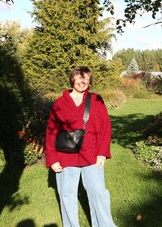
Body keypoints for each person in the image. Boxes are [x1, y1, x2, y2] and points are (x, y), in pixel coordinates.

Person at [44, 66, 116, 226]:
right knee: (67, 195)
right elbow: (51, 132)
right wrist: (52, 158)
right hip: (65, 156)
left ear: (90, 82)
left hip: (92, 155)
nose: (82, 81)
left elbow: (105, 127)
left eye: (86, 79)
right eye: (79, 77)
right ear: (72, 79)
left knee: (98, 192)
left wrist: (102, 153)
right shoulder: (60, 103)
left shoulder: (96, 100)